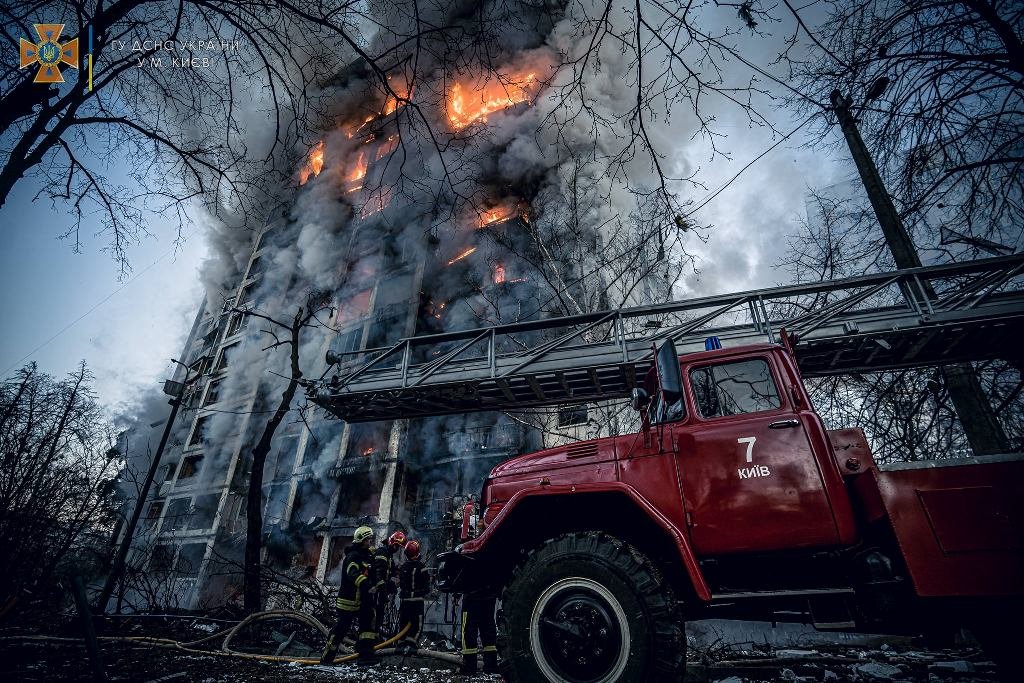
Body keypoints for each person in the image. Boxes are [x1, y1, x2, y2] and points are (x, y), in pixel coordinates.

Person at [321, 526, 380, 666]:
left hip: (364, 601)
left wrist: (381, 585)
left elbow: (373, 574)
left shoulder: (368, 556)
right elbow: (353, 574)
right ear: (361, 540)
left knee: (367, 629)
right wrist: (368, 586)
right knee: (341, 629)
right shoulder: (353, 556)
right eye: (368, 539)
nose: (370, 541)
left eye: (371, 539)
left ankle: (366, 658)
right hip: (348, 601)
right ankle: (327, 658)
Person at [397, 539, 429, 654]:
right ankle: (412, 646)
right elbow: (426, 586)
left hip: (405, 602)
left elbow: (401, 584)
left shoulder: (403, 567)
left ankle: (400, 645)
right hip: (417, 602)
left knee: (403, 623)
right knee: (417, 624)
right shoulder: (422, 567)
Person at [459, 593, 498, 675]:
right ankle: (491, 666)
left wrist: (456, 594)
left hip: (471, 597)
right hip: (489, 597)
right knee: (488, 631)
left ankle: (469, 667)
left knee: (468, 633)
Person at [373, 530, 406, 626]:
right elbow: (378, 574)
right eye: (396, 546)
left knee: (379, 618)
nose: (397, 549)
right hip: (376, 593)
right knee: (375, 618)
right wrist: (387, 586)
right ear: (391, 542)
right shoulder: (382, 553)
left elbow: (392, 570)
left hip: (381, 593)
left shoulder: (388, 555)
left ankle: (376, 633)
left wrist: (401, 573)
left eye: (398, 547)